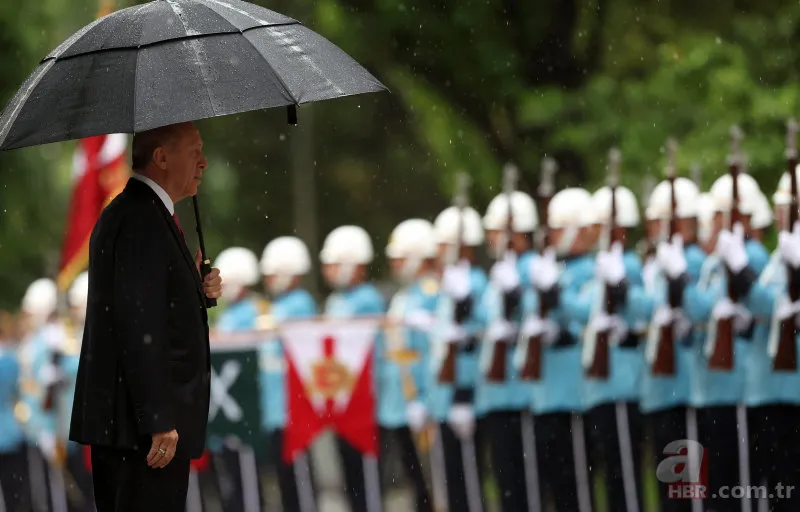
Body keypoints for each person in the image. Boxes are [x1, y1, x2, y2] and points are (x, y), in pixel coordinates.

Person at [68, 122, 223, 512]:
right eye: (195, 151)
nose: (203, 163)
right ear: (162, 157)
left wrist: (196, 287)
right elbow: (139, 324)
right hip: (142, 434)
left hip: (135, 428)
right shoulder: (141, 219)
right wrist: (158, 418)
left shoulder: (143, 213)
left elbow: (154, 307)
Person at [320, 225, 385, 512]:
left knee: (366, 480)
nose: (328, 271)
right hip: (341, 398)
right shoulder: (337, 301)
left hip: (363, 401)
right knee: (350, 479)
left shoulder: (368, 299)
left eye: (334, 264)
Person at [258, 236, 318, 512]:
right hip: (277, 410)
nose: (269, 279)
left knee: (300, 481)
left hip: (294, 410)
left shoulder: (300, 305)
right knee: (286, 482)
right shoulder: (275, 308)